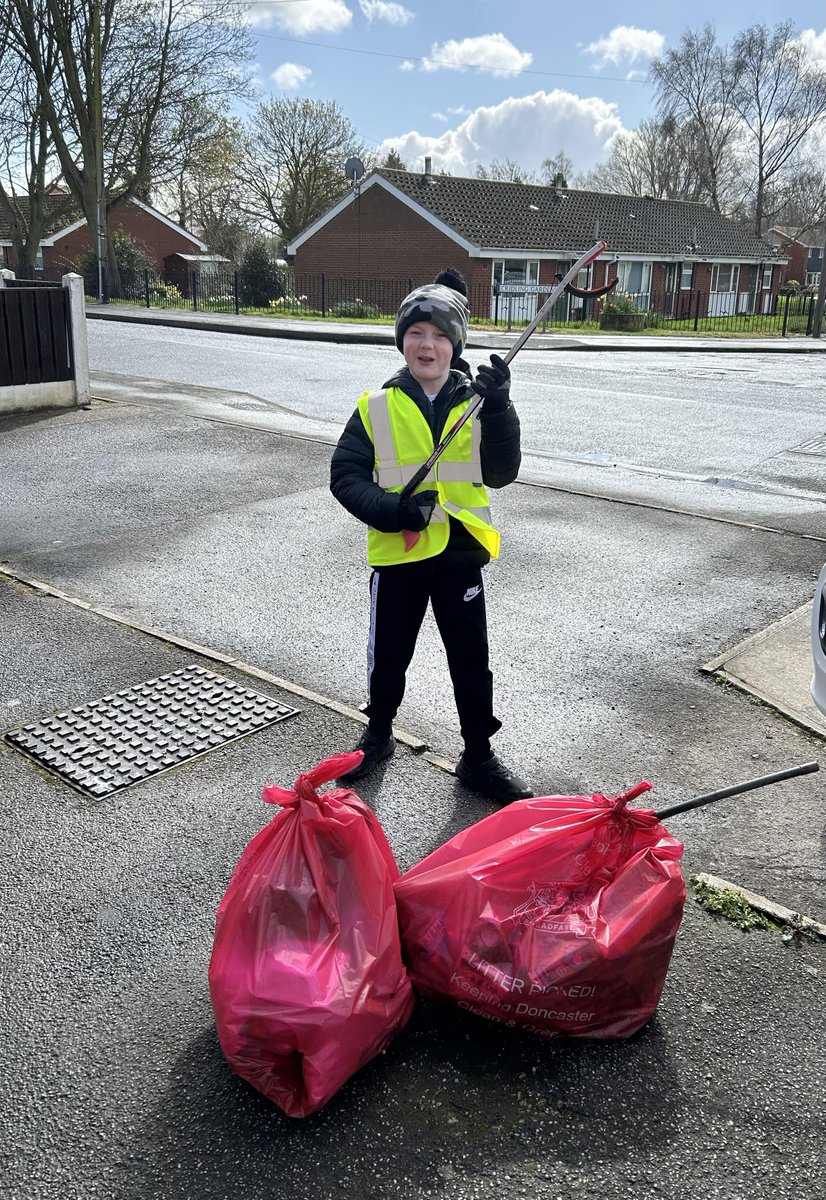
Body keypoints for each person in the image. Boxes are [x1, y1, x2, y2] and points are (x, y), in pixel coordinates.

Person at [329, 267, 532, 804]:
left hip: (461, 553)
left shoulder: (479, 401)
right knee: (388, 653)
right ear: (402, 341)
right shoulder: (376, 406)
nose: (428, 344)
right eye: (417, 332)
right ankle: (377, 735)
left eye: (441, 335)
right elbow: (346, 477)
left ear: (455, 345)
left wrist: (503, 406)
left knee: (471, 658)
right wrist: (393, 510)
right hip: (399, 553)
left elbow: (501, 471)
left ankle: (478, 755)